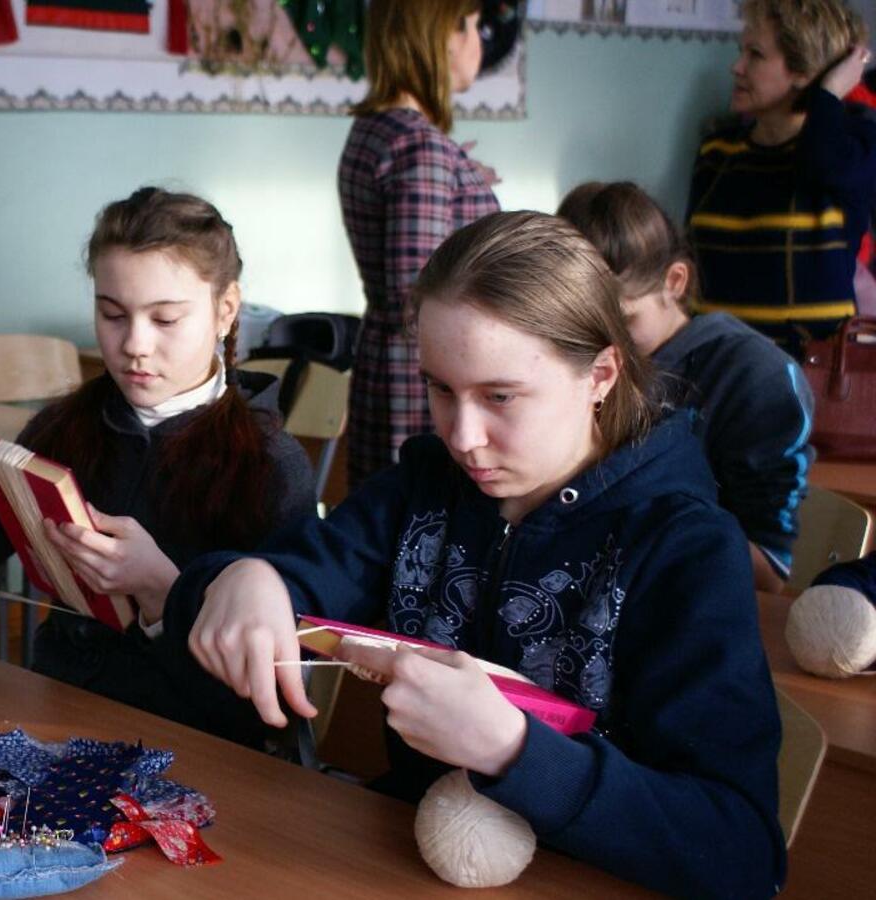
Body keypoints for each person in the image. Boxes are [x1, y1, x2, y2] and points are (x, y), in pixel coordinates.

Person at [166, 212, 785, 897]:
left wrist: (512, 750)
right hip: (401, 864)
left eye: (500, 396)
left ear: (601, 374)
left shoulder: (687, 548)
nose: (462, 437)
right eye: (440, 388)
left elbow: (741, 853)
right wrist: (244, 577)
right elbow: (269, 588)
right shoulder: (424, 488)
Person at [0, 187, 315, 746]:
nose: (135, 345)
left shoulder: (271, 465)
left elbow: (275, 693)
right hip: (57, 722)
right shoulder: (63, 430)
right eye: (112, 314)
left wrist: (159, 591)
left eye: (165, 319)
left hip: (202, 749)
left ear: (225, 311)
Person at [559, 181, 814, 592]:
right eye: (582, 324)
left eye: (623, 321)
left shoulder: (755, 375)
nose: (601, 346)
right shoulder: (568, 361)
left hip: (694, 594)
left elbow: (771, 571)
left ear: (675, 281)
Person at [338, 0, 499, 489]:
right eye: (472, 26)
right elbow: (418, 296)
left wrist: (460, 177)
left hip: (396, 370)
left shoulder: (381, 130)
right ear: (441, 36)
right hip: (420, 386)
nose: (479, 41)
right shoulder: (418, 145)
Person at [687, 0, 876, 358]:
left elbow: (824, 163)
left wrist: (827, 91)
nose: (736, 67)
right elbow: (690, 262)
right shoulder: (717, 151)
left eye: (755, 55)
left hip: (807, 377)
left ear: (804, 70)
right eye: (741, 51)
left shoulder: (852, 149)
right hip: (718, 370)